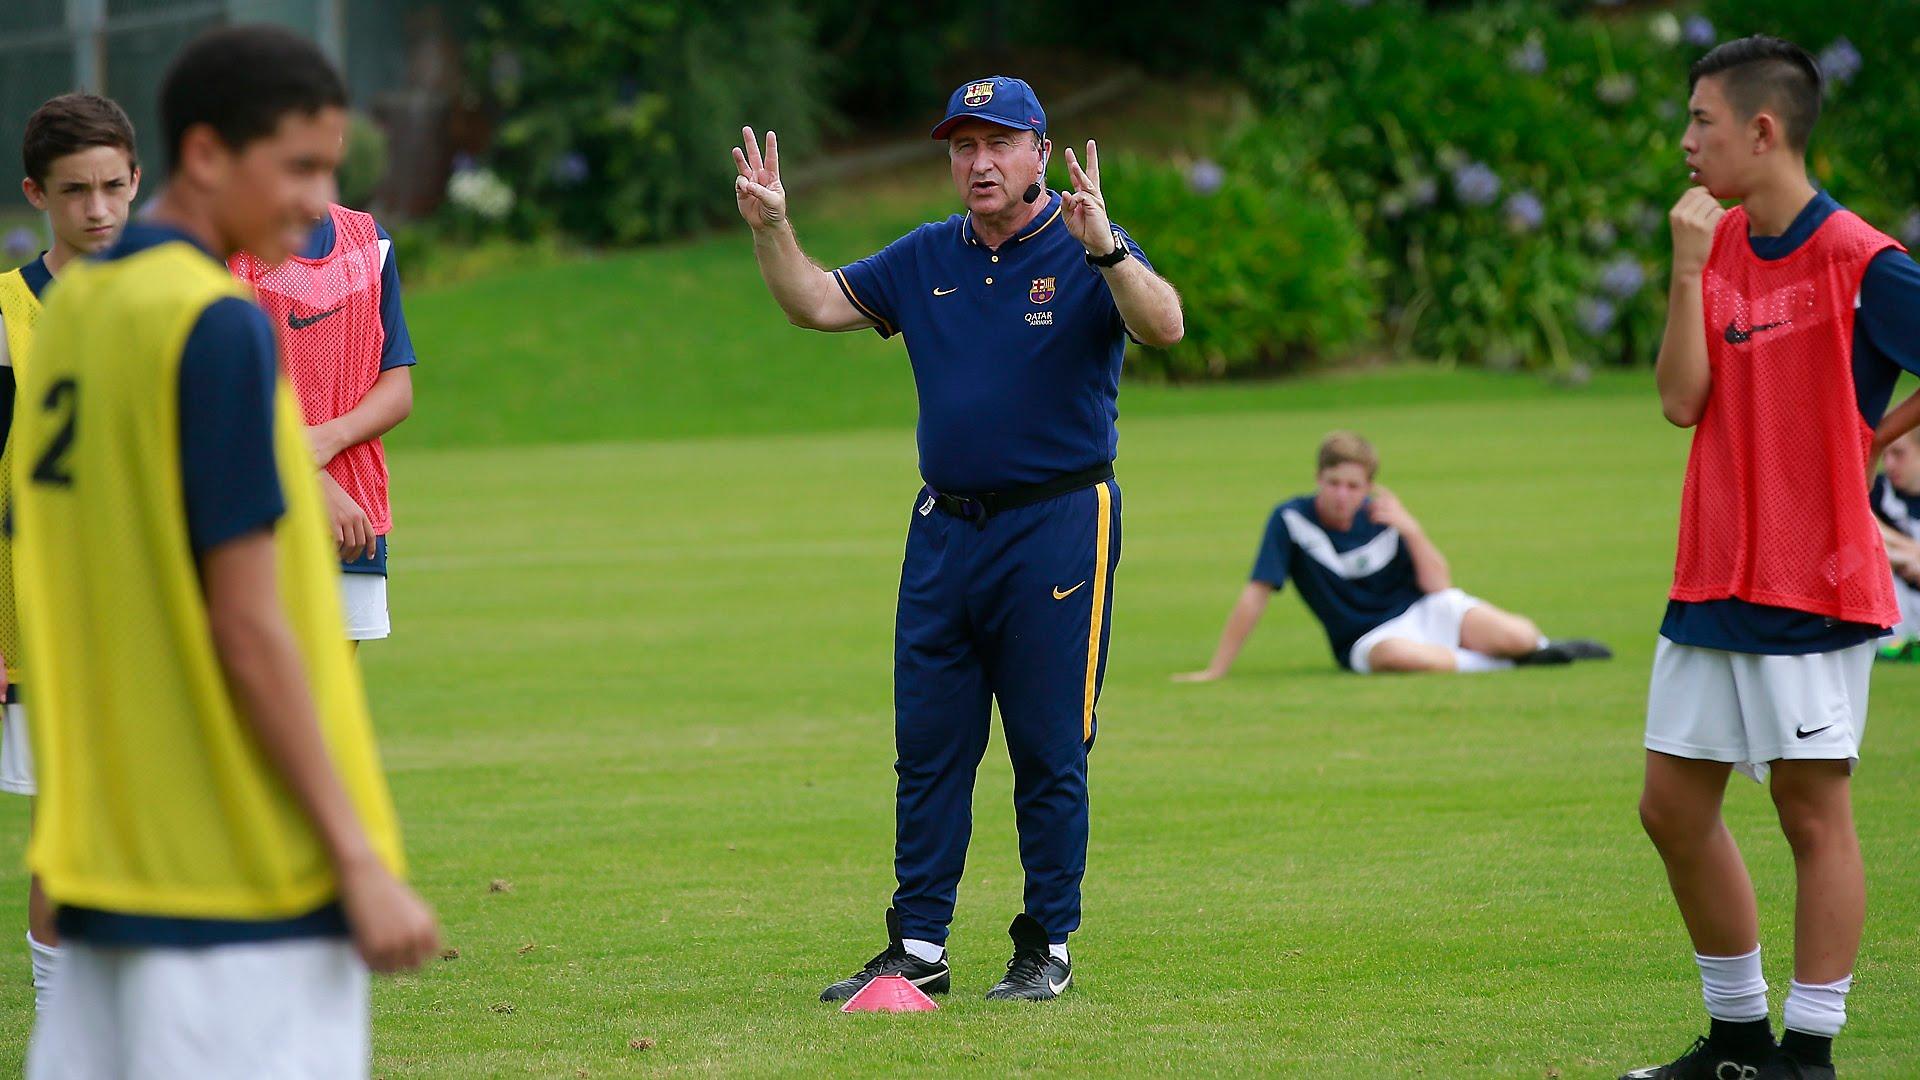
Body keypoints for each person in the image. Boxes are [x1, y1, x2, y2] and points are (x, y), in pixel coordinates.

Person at [15, 26, 439, 1078]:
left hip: (109, 862)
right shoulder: (211, 325)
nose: (315, 198)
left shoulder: (73, 315)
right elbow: (248, 625)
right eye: (298, 164)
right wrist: (356, 860)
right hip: (238, 875)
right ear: (206, 154)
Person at [734, 75, 1183, 1001]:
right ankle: (921, 948)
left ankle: (1045, 944)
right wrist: (772, 225)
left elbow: (1165, 324)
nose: (977, 163)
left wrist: (1110, 247)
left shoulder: (1085, 246)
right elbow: (813, 303)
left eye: (997, 144)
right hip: (945, 529)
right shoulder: (928, 254)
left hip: (1060, 524)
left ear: (1039, 154)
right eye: (961, 147)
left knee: (1049, 745)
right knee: (930, 747)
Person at [1625, 35, 1920, 1080]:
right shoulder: (1719, 246)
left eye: (1701, 122)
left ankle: (1813, 1053)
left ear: (1763, 129)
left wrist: (1871, 435)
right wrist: (1689, 269)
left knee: (1810, 809)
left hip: (1812, 583)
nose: (1686, 142)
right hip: (1710, 572)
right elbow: (1679, 401)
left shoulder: (1863, 261)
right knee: (1671, 806)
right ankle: (1739, 1038)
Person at [0, 90, 142, 1018]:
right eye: (75, 191)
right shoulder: (8, 314)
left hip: (148, 618)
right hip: (42, 627)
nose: (98, 210)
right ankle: (63, 1027)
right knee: (69, 827)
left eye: (114, 187)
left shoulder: (172, 301)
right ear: (35, 196)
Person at [1175, 431, 1610, 680]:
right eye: (1333, 483)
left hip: (1423, 610)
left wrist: (1412, 528)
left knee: (1518, 634)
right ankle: (1513, 665)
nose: (1342, 495)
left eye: (1353, 486)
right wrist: (1217, 669)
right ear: (1317, 478)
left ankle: (1539, 649)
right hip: (1367, 639)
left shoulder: (1385, 516)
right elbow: (1256, 594)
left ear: (1367, 487)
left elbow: (1440, 587)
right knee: (1398, 658)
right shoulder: (1290, 520)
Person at [231, 201, 418, 646]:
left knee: (327, 710)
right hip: (258, 511)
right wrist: (308, 474)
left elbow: (397, 388)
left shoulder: (370, 240)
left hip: (354, 520)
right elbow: (224, 389)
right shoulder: (229, 245)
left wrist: (326, 441)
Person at [1868, 428, 1920, 658]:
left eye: (1899, 454)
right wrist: (1904, 555)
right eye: (1885, 455)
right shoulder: (1875, 492)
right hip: (1893, 600)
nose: (1888, 464)